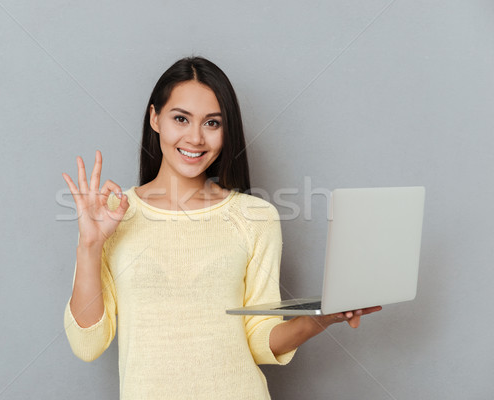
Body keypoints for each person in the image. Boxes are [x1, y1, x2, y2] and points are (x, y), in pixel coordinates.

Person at [61, 56, 381, 399]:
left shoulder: (256, 217)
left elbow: (259, 338)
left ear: (226, 130)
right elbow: (88, 343)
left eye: (212, 123)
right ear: (155, 118)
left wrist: (319, 318)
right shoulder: (113, 216)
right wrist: (90, 245)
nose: (195, 138)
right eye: (181, 118)